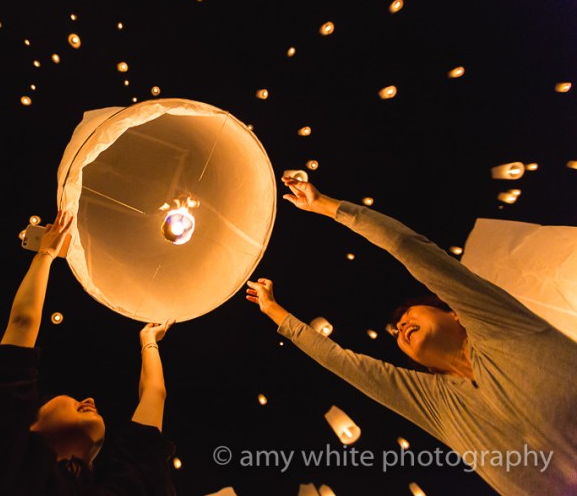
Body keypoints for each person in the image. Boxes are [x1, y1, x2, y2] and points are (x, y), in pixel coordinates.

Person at [246, 177, 577, 495]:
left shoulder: (498, 324)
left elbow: (408, 248)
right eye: (397, 332)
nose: (401, 328)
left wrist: (325, 205)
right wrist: (273, 309)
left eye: (407, 317)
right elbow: (341, 362)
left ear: (454, 313)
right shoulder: (435, 405)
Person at [0, 210, 177, 496]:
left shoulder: (0, 450)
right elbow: (155, 395)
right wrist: (149, 342)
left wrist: (45, 254)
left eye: (72, 399)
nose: (89, 399)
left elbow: (22, 323)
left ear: (31, 421)